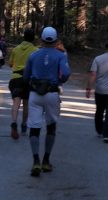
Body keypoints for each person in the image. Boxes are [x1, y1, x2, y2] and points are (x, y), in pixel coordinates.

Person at [22, 27, 71, 177]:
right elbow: (66, 74)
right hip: (51, 93)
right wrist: (59, 81)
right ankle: (46, 160)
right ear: (56, 40)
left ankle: (35, 161)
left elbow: (25, 76)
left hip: (35, 94)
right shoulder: (60, 55)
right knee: (51, 126)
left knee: (34, 127)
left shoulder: (33, 55)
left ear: (41, 39)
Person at [7, 28, 38, 140]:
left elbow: (10, 64)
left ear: (23, 36)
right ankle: (24, 125)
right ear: (33, 38)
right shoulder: (35, 50)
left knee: (16, 101)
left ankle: (14, 122)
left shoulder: (16, 49)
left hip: (16, 78)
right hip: (28, 79)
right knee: (26, 103)